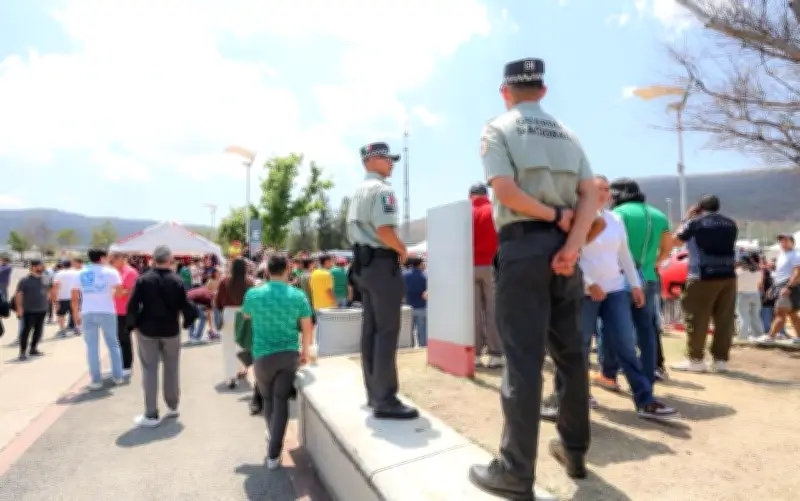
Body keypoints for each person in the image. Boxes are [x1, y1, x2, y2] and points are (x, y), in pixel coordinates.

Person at [468, 58, 599, 499]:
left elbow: (503, 191)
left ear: (505, 92)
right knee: (571, 355)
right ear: (542, 91)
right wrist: (571, 245)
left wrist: (551, 215)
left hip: (523, 247)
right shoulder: (569, 133)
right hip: (566, 252)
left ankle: (515, 471)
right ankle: (575, 450)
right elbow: (590, 197)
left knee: (523, 361)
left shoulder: (497, 128)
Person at [347, 141, 417, 421]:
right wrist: (402, 249)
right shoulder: (382, 190)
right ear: (372, 160)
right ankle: (385, 398)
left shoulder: (359, 190)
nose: (391, 164)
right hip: (380, 263)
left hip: (363, 265)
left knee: (371, 330)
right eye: (388, 159)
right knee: (387, 331)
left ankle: (374, 392)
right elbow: (384, 229)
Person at [244, 254, 313, 470]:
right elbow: (307, 327)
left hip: (262, 355)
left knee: (268, 399)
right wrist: (305, 353)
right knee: (280, 399)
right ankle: (273, 454)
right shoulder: (298, 295)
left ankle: (272, 434)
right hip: (288, 355)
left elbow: (246, 316)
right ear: (288, 269)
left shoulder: (254, 294)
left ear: (266, 271)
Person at [608, 178, 673, 383]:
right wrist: (654, 263)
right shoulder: (659, 215)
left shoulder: (618, 214)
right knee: (648, 324)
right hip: (650, 276)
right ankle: (652, 367)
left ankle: (610, 370)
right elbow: (667, 249)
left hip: (621, 277)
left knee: (614, 323)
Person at [127, 245, 197, 427]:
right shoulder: (177, 280)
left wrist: (132, 326)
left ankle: (151, 414)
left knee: (149, 370)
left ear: (153, 260)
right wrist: (187, 322)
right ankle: (173, 407)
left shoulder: (143, 280)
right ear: (169, 260)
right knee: (172, 369)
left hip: (147, 330)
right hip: (171, 330)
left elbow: (132, 305)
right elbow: (186, 305)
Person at [671, 195, 738, 372]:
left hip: (702, 274)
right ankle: (720, 359)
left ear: (699, 207)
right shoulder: (731, 223)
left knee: (696, 317)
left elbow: (676, 240)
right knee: (724, 319)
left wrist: (687, 218)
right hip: (728, 275)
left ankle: (696, 359)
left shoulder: (697, 223)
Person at [74, 249, 126, 390]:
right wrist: (114, 292)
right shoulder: (111, 272)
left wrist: (75, 314)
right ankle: (118, 376)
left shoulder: (81, 273)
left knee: (92, 347)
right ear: (103, 258)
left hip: (87, 312)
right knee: (113, 344)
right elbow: (120, 294)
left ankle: (96, 380)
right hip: (107, 311)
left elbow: (75, 296)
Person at [469, 182, 503, 368]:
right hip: (492, 264)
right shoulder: (494, 209)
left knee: (472, 311)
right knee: (493, 309)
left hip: (469, 266)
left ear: (470, 196)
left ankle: (474, 354)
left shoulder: (464, 213)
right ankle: (495, 354)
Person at [214, 258, 254, 389]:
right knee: (243, 345)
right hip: (244, 314)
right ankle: (242, 370)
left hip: (228, 314)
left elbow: (218, 301)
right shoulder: (249, 282)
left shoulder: (224, 282)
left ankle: (231, 377)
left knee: (228, 348)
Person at [110, 251, 139, 376]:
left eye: (113, 261)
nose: (111, 264)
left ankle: (127, 365)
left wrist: (120, 292)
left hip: (125, 310)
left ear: (121, 258)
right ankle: (120, 363)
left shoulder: (130, 272)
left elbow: (131, 292)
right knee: (118, 339)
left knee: (124, 338)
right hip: (115, 310)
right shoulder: (114, 272)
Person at [14, 259, 49, 361]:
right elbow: (19, 295)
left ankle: (33, 349)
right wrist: (19, 308)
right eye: (41, 266)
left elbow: (48, 290)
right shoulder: (24, 280)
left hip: (42, 309)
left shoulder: (45, 278)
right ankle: (22, 352)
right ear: (34, 267)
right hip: (29, 310)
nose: (43, 267)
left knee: (38, 331)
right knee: (26, 331)